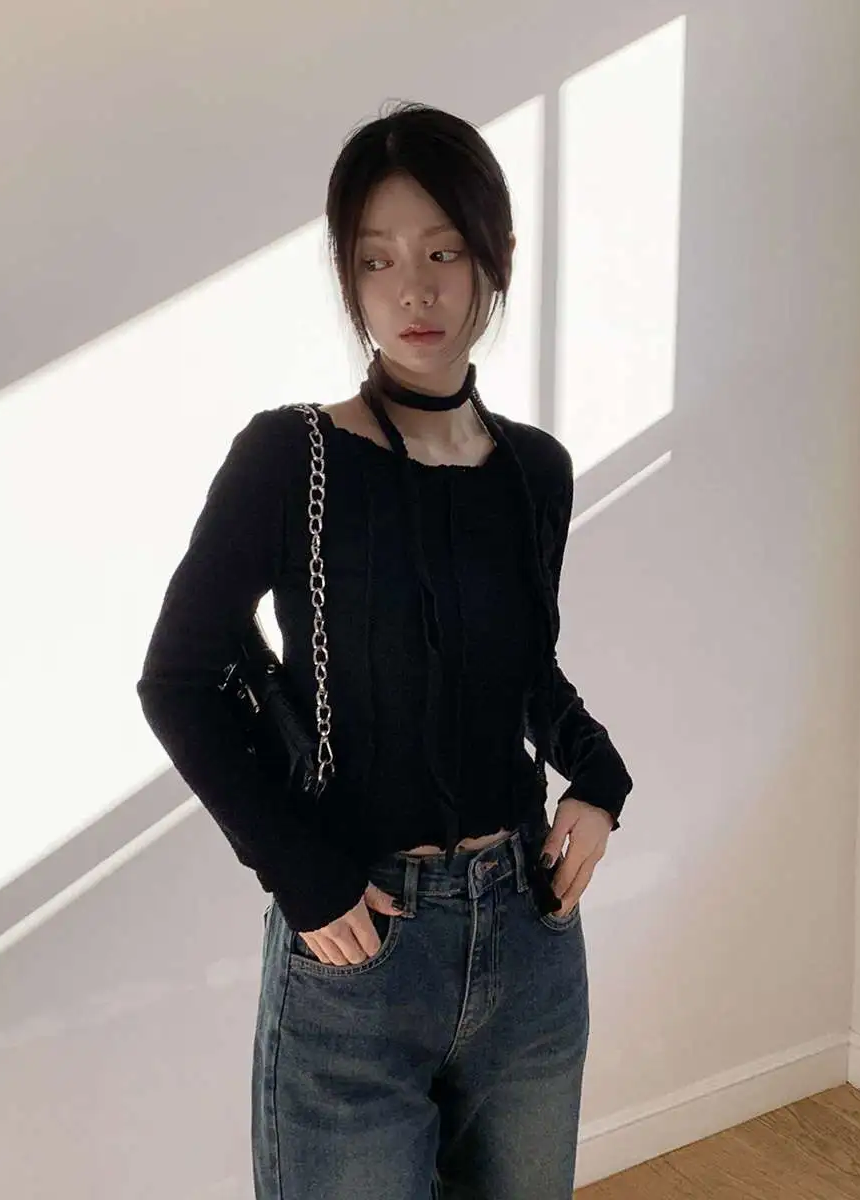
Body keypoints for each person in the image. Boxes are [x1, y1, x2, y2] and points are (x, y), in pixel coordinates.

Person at [136, 101, 633, 1200]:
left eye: (443, 252)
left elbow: (525, 672)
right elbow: (178, 681)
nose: (413, 290)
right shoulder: (289, 459)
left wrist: (599, 780)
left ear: (497, 258)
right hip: (359, 950)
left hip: (530, 936)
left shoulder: (535, 472)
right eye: (377, 260)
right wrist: (304, 878)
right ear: (349, 278)